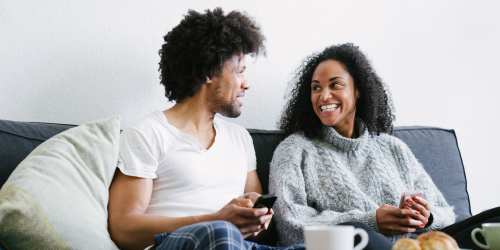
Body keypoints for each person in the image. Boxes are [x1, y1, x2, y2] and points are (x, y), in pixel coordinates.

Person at [269, 43, 500, 250]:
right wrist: (372, 220)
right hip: (363, 244)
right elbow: (290, 227)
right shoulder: (294, 150)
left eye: (335, 85)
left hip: (421, 245)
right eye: (316, 88)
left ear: (357, 90)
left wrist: (426, 216)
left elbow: (447, 214)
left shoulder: (392, 147)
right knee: (355, 232)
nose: (323, 96)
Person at [107, 8, 302, 250]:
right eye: (240, 71)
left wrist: (257, 218)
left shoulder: (239, 139)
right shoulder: (148, 134)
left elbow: (257, 233)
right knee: (220, 232)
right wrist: (216, 219)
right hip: (177, 244)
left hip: (236, 246)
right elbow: (123, 228)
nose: (246, 84)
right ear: (209, 72)